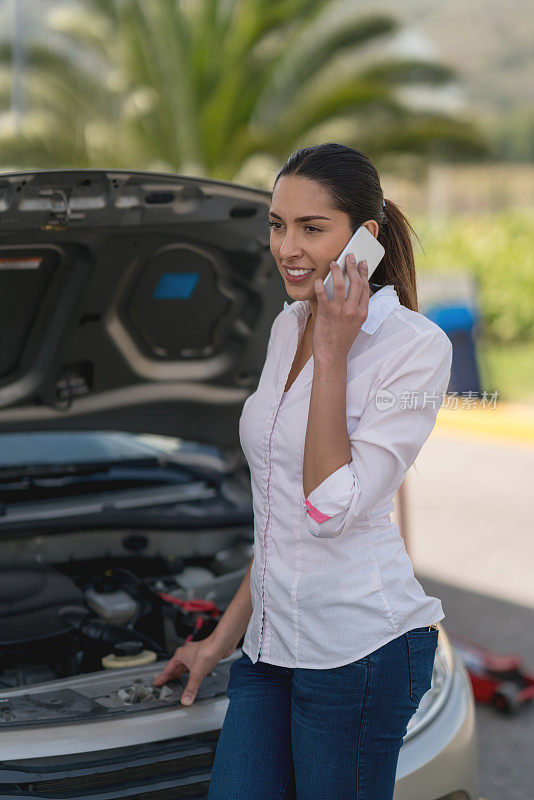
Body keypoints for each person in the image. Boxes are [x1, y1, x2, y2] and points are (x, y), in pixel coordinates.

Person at [153, 143, 452, 800]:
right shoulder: (286, 327)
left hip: (361, 653)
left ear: (364, 239)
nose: (287, 247)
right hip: (268, 649)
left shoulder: (417, 350)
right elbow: (279, 519)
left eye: (312, 228)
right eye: (277, 224)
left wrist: (334, 352)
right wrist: (220, 639)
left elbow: (327, 507)